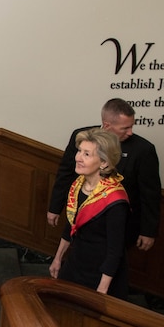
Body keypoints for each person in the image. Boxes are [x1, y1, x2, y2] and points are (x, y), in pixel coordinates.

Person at [47, 98, 161, 251]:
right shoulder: (82, 137)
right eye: (125, 128)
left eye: (131, 126)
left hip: (118, 225)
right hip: (81, 218)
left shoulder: (143, 150)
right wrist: (55, 207)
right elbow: (65, 174)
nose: (130, 132)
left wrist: (148, 231)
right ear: (107, 125)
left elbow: (150, 194)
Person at [48, 128, 131, 298]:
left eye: (86, 154)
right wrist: (58, 258)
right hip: (76, 262)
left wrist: (102, 290)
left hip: (100, 273)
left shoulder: (115, 200)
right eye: (79, 151)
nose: (78, 157)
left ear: (104, 163)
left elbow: (115, 251)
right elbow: (71, 225)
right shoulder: (79, 184)